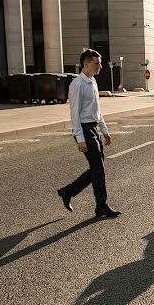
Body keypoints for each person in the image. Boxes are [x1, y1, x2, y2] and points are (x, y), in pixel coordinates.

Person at [57, 49, 121, 218]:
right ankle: (101, 205)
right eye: (96, 63)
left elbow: (97, 111)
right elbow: (74, 113)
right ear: (86, 64)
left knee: (97, 168)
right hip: (84, 130)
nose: (100, 66)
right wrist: (80, 138)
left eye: (99, 63)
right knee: (98, 168)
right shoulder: (77, 84)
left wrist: (104, 130)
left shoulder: (92, 82)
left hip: (93, 128)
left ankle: (68, 191)